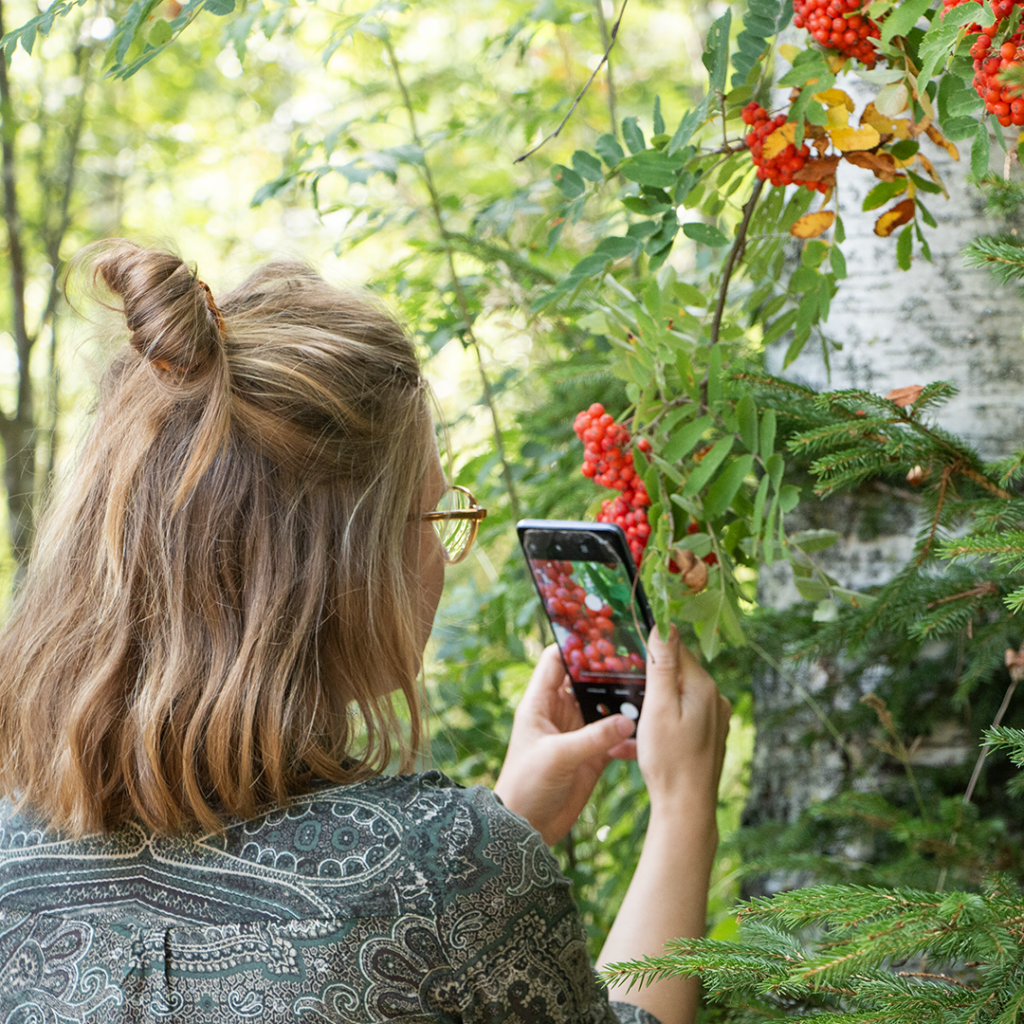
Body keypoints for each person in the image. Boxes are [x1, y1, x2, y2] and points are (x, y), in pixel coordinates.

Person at [0, 241, 730, 1024]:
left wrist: (507, 831)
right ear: (343, 567)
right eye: (436, 517)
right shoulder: (441, 870)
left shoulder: (16, 843)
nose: (444, 557)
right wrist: (685, 805)